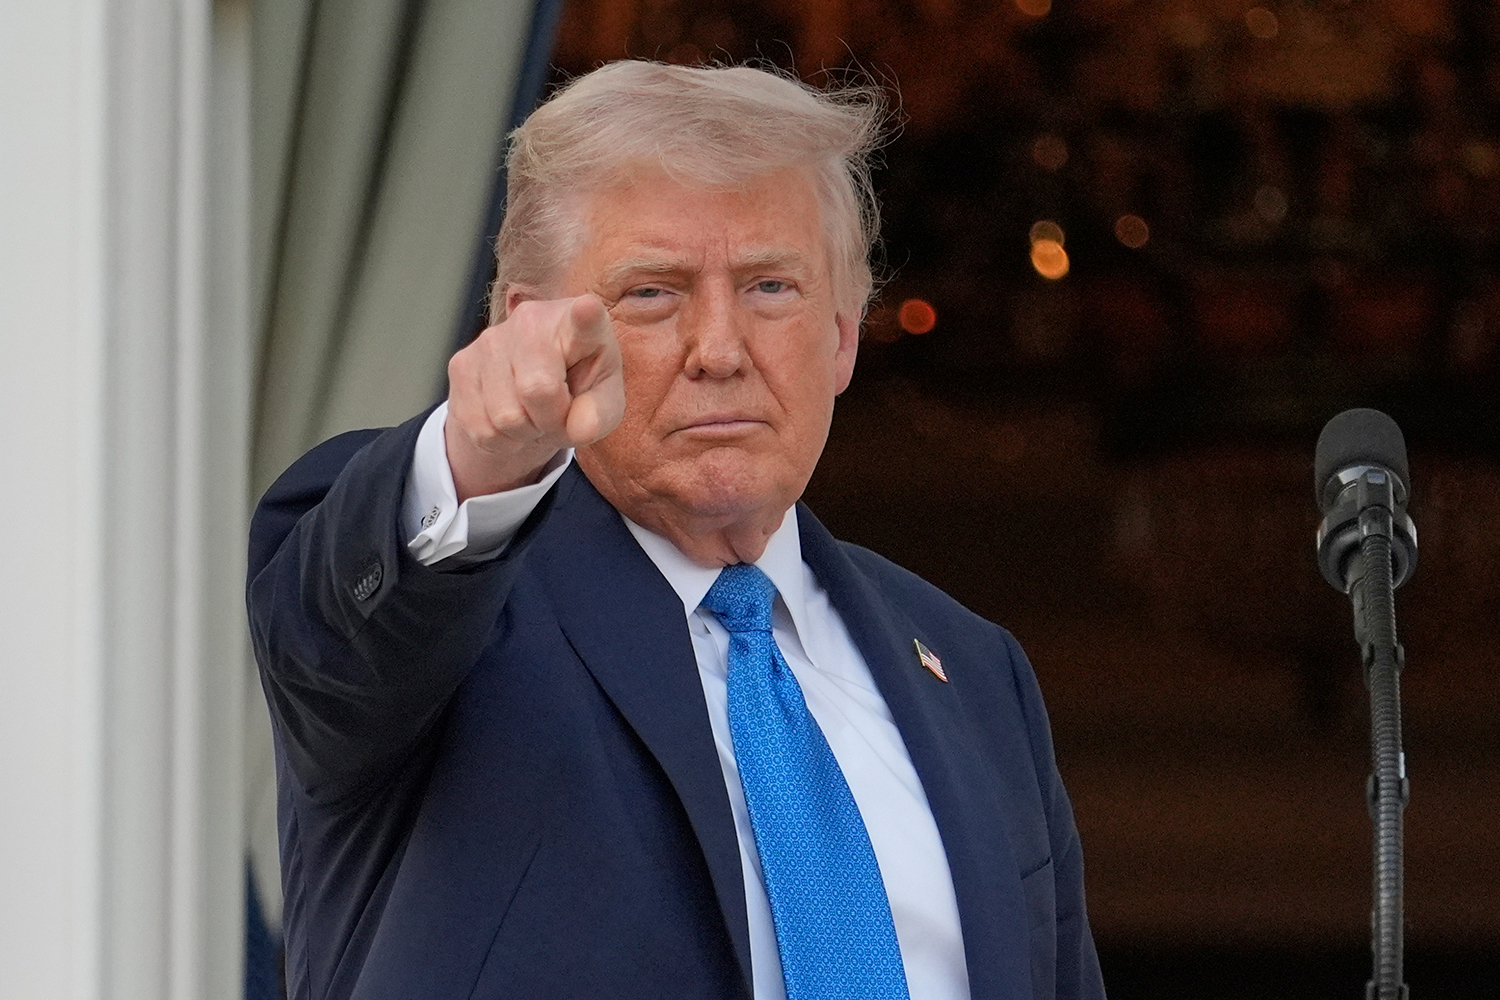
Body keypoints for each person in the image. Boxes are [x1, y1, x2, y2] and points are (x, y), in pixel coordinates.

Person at [248, 60, 1105, 1000]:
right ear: (530, 334)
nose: (721, 350)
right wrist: (474, 456)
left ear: (844, 334)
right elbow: (338, 633)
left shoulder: (975, 674)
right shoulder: (449, 599)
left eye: (771, 287)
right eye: (653, 293)